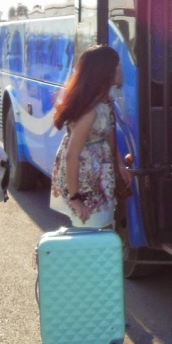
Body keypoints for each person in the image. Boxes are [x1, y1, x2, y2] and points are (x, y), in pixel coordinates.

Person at [50, 45, 132, 227]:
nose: (120, 68)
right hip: (85, 181)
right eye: (117, 65)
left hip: (99, 174)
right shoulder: (91, 111)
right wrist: (75, 198)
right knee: (89, 230)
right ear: (105, 72)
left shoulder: (105, 102)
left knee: (102, 228)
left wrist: (119, 164)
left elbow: (110, 136)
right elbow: (72, 154)